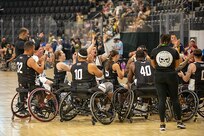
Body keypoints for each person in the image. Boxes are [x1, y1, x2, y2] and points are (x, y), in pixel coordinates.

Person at [150, 34, 185, 131]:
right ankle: (179, 122)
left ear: (161, 40)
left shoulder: (154, 51)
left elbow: (153, 65)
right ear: (169, 41)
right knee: (175, 99)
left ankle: (162, 124)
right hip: (171, 76)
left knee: (161, 100)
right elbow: (177, 66)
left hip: (159, 77)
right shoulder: (174, 51)